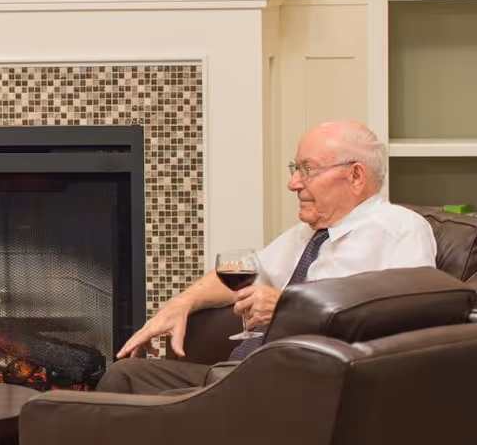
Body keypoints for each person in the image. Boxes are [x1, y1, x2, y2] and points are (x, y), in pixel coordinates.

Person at [100, 119, 437, 394]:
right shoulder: (308, 235)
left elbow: (409, 325)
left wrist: (290, 309)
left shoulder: (400, 229)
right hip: (248, 375)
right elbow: (239, 274)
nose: (293, 183)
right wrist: (180, 305)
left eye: (308, 169)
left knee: (128, 389)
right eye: (296, 168)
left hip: (304, 389)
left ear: (355, 176)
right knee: (126, 375)